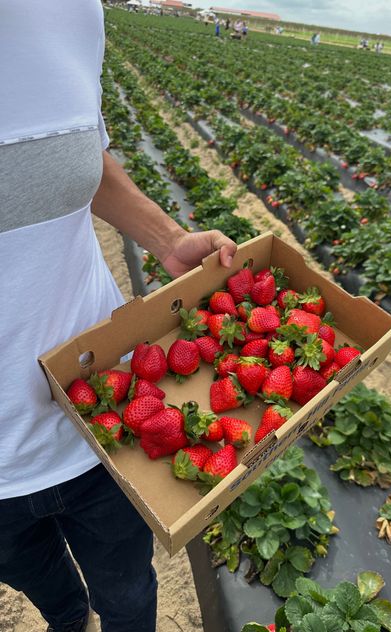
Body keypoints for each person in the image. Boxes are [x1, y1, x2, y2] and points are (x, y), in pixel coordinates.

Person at [0, 3, 236, 632]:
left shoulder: (70, 11)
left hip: (104, 413)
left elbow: (76, 155)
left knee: (129, 594)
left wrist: (164, 239)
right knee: (46, 590)